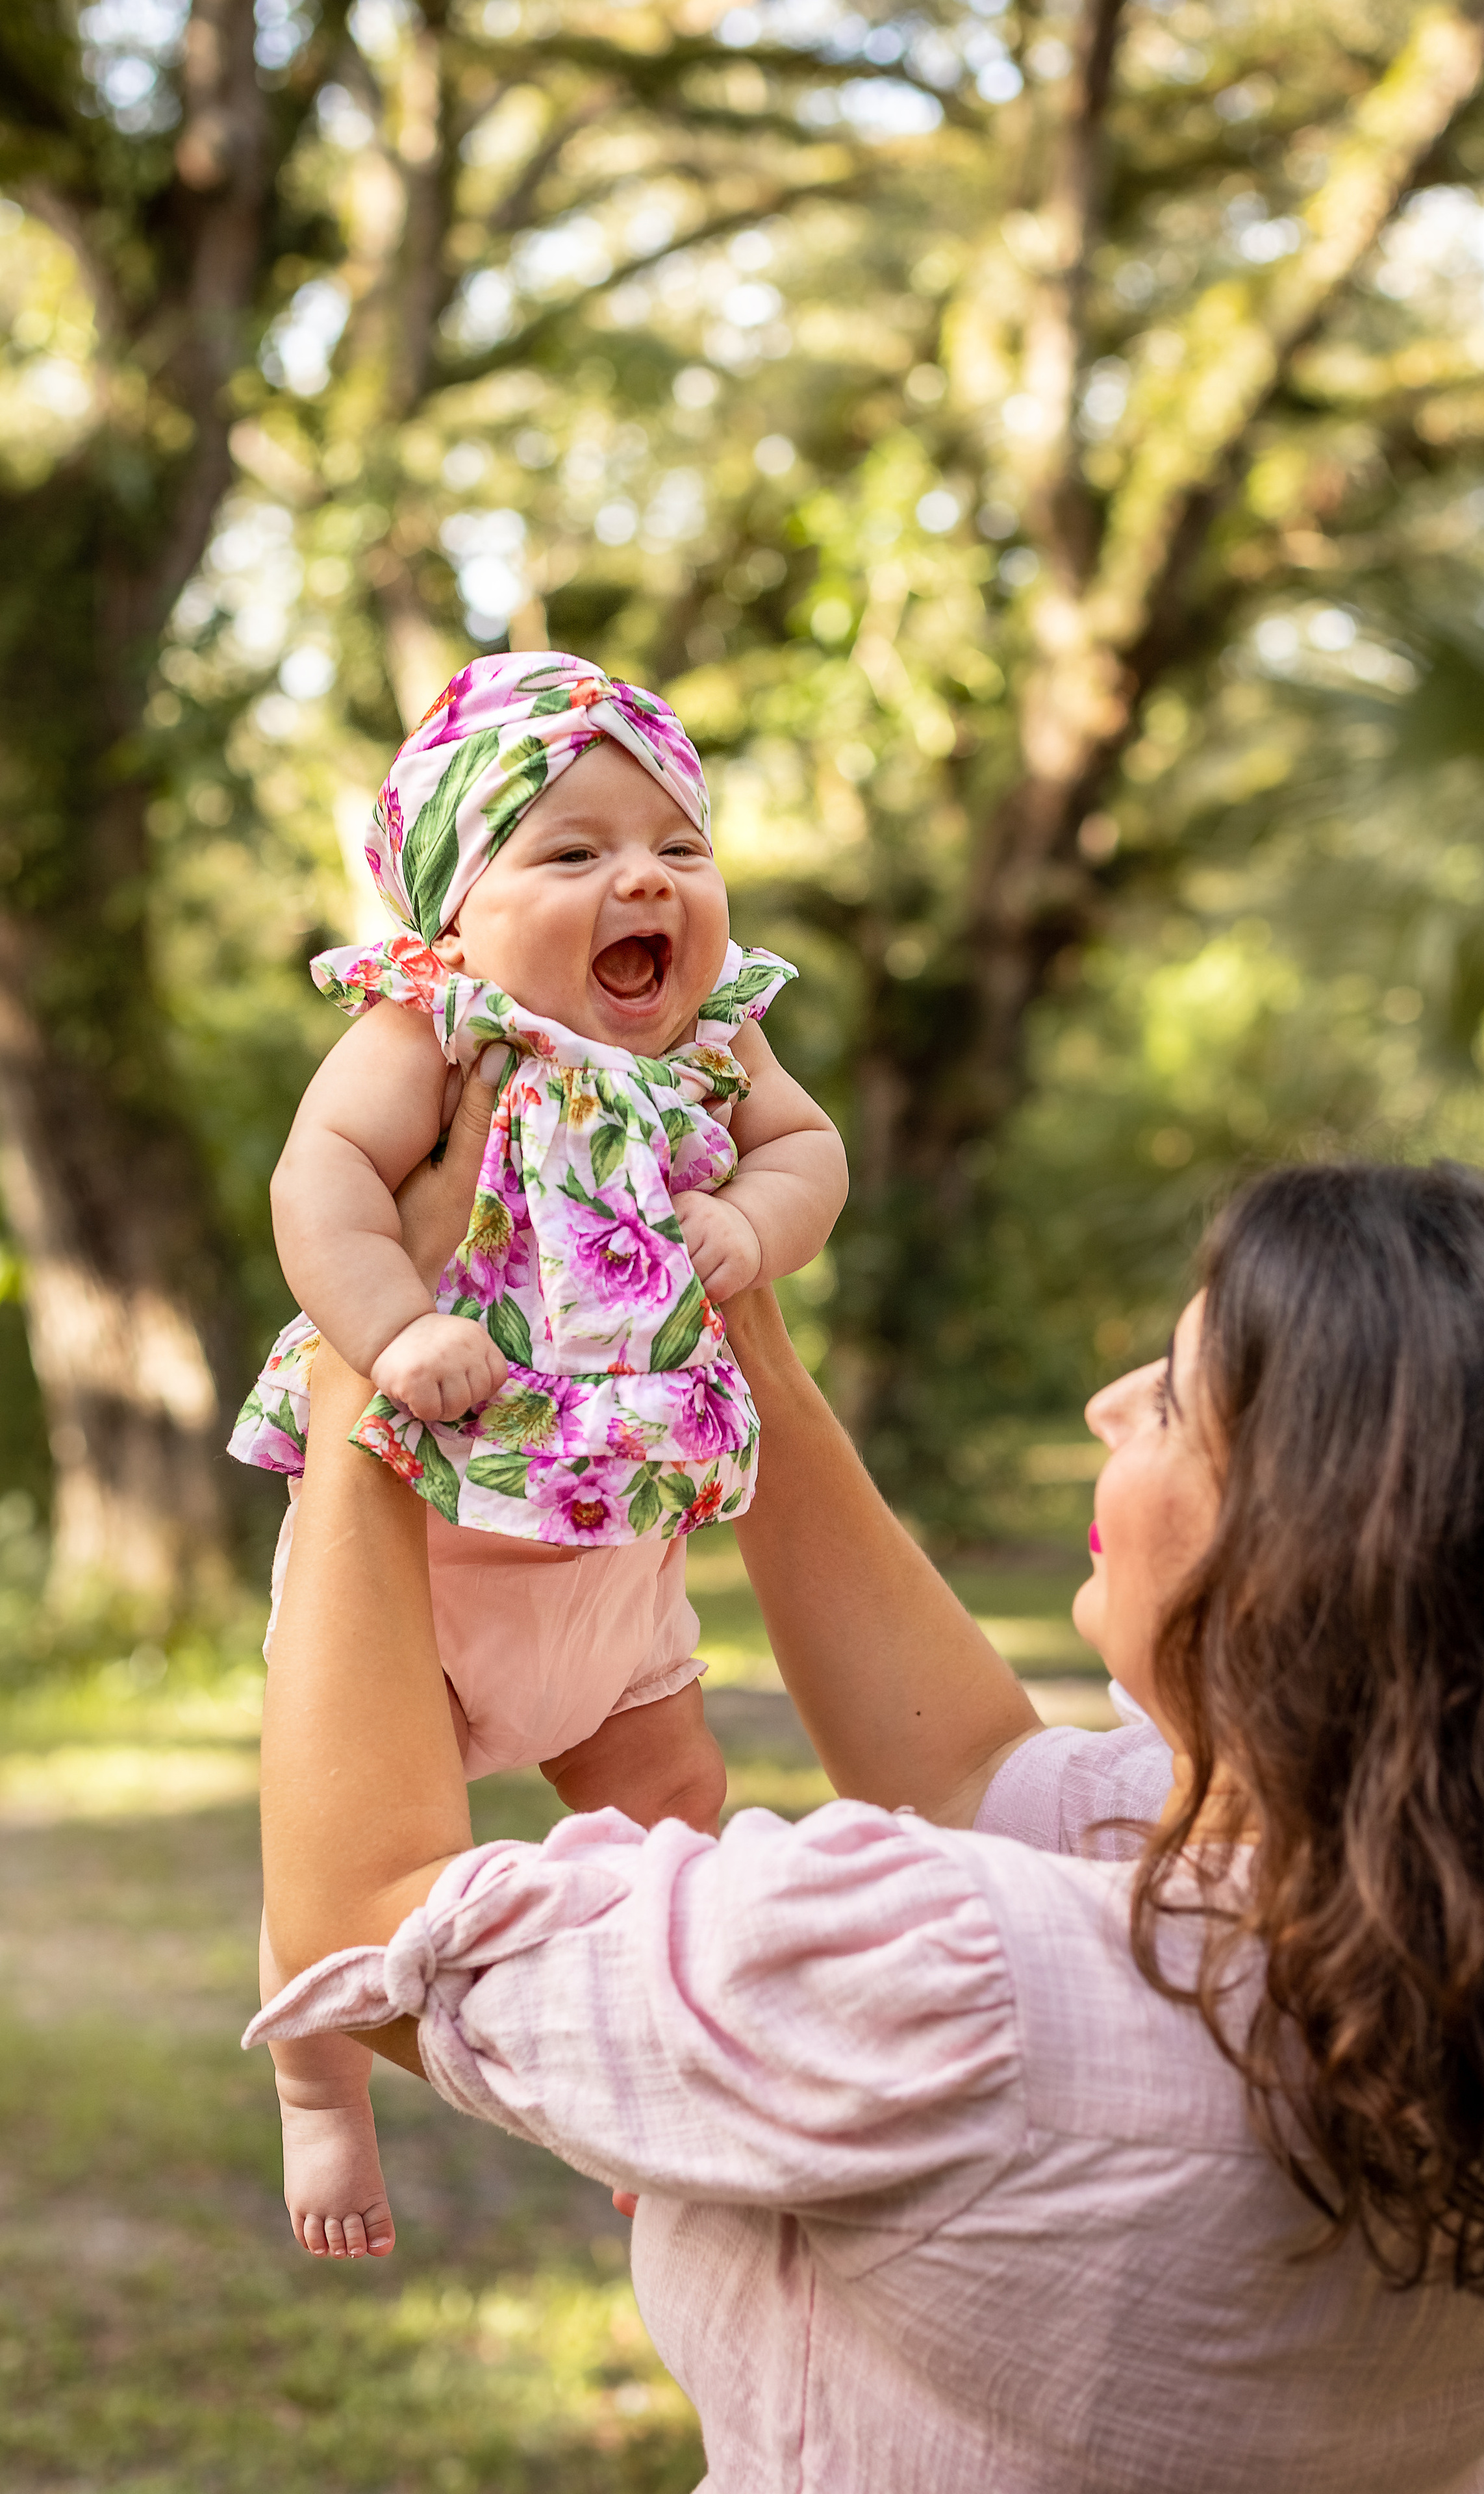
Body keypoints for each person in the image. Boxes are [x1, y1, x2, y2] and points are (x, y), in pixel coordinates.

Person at [251, 1081, 1484, 2489]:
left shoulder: (951, 1985)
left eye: (1173, 1402)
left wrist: (355, 1369)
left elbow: (372, 1924)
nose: (1110, 1407)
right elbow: (969, 1768)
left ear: (1335, 1542)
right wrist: (730, 1327)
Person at [232, 652, 846, 2261]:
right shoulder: (431, 1024)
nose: (640, 878)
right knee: (342, 1847)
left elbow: (808, 1151)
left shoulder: (718, 1036)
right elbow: (324, 1185)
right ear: (451, 905)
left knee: (676, 1810)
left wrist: (749, 1220)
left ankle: (662, 2087)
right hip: (423, 1555)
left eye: (677, 849)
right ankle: (320, 2099)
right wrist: (388, 1327)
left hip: (610, 1554)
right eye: (568, 853)